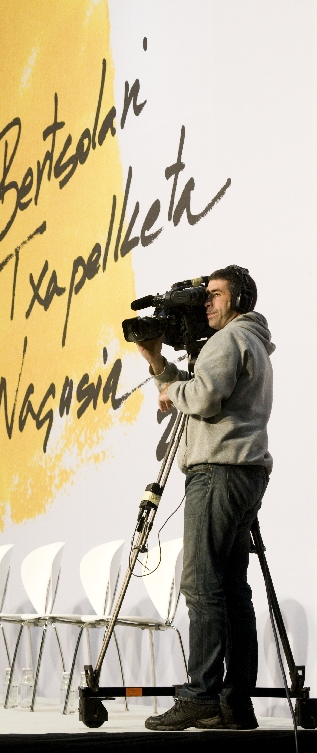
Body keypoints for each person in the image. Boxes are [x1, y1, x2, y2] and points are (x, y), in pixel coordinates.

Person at [136, 266, 275, 731]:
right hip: (243, 472)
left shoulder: (228, 339)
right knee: (232, 590)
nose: (206, 303)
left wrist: (172, 388)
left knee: (201, 586)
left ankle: (200, 697)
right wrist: (159, 364)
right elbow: (204, 388)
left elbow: (202, 398)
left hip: (217, 471)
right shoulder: (249, 340)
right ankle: (236, 704)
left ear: (239, 299)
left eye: (215, 295)